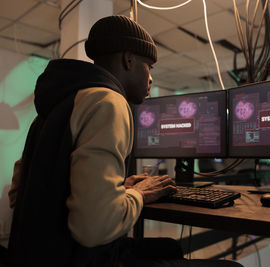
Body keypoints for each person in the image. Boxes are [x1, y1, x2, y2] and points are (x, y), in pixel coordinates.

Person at [7, 15, 243, 267]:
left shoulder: (56, 106)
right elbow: (93, 228)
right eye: (149, 66)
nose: (151, 78)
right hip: (78, 259)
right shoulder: (108, 102)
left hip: (34, 254)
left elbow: (18, 194)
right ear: (128, 60)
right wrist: (137, 194)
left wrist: (117, 190)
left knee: (171, 247)